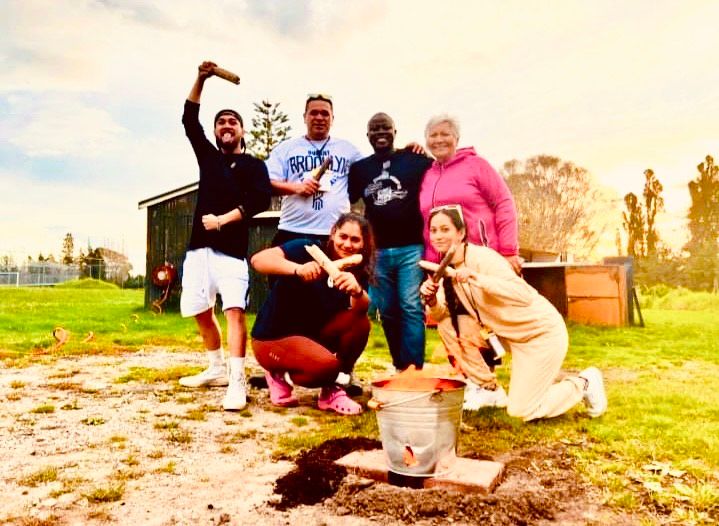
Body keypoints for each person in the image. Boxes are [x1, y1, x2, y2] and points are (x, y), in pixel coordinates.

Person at [419, 205, 607, 419]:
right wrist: (432, 300)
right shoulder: (444, 270)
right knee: (448, 325)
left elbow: (522, 293)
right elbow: (440, 316)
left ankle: (583, 383)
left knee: (522, 410)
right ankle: (488, 390)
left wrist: (476, 278)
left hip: (541, 334)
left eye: (445, 229)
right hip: (506, 335)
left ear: (461, 233)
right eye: (433, 231)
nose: (438, 236)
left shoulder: (483, 258)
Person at [177, 61, 272, 411]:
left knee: (233, 311)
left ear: (242, 131)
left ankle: (236, 381)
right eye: (221, 122)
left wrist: (224, 220)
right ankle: (216, 368)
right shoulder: (209, 158)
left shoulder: (253, 166)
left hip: (231, 253)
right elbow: (189, 120)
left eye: (232, 121)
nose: (226, 126)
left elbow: (260, 199)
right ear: (216, 132)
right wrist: (200, 78)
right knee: (200, 311)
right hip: (197, 251)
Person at [250, 213, 374, 415]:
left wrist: (357, 291)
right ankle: (278, 374)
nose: (347, 244)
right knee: (327, 367)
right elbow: (258, 260)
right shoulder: (306, 248)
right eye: (343, 236)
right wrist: (298, 269)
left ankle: (331, 390)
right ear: (333, 233)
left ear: (363, 244)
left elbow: (361, 310)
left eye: (355, 240)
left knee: (361, 324)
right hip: (273, 337)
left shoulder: (357, 269)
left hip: (313, 337)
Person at [349, 113, 432, 371]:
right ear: (368, 135)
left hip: (411, 248)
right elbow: (346, 198)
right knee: (387, 310)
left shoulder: (414, 160)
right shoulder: (360, 169)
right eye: (374, 129)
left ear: (395, 131)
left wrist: (422, 147)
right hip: (379, 251)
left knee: (410, 306)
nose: (380, 132)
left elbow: (440, 169)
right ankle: (400, 365)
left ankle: (414, 368)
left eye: (385, 127)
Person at [419, 114, 522, 275]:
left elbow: (504, 203)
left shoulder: (476, 165)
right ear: (426, 141)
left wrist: (509, 250)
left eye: (445, 134)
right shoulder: (427, 175)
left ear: (457, 138)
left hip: (482, 259)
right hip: (442, 265)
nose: (439, 140)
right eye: (433, 135)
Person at [265, 94, 363, 247]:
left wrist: (405, 152)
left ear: (332, 118)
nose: (319, 117)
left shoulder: (349, 150)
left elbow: (373, 168)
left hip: (335, 236)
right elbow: (265, 183)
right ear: (305, 117)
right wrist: (296, 188)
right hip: (292, 230)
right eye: (313, 113)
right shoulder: (286, 148)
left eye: (325, 113)